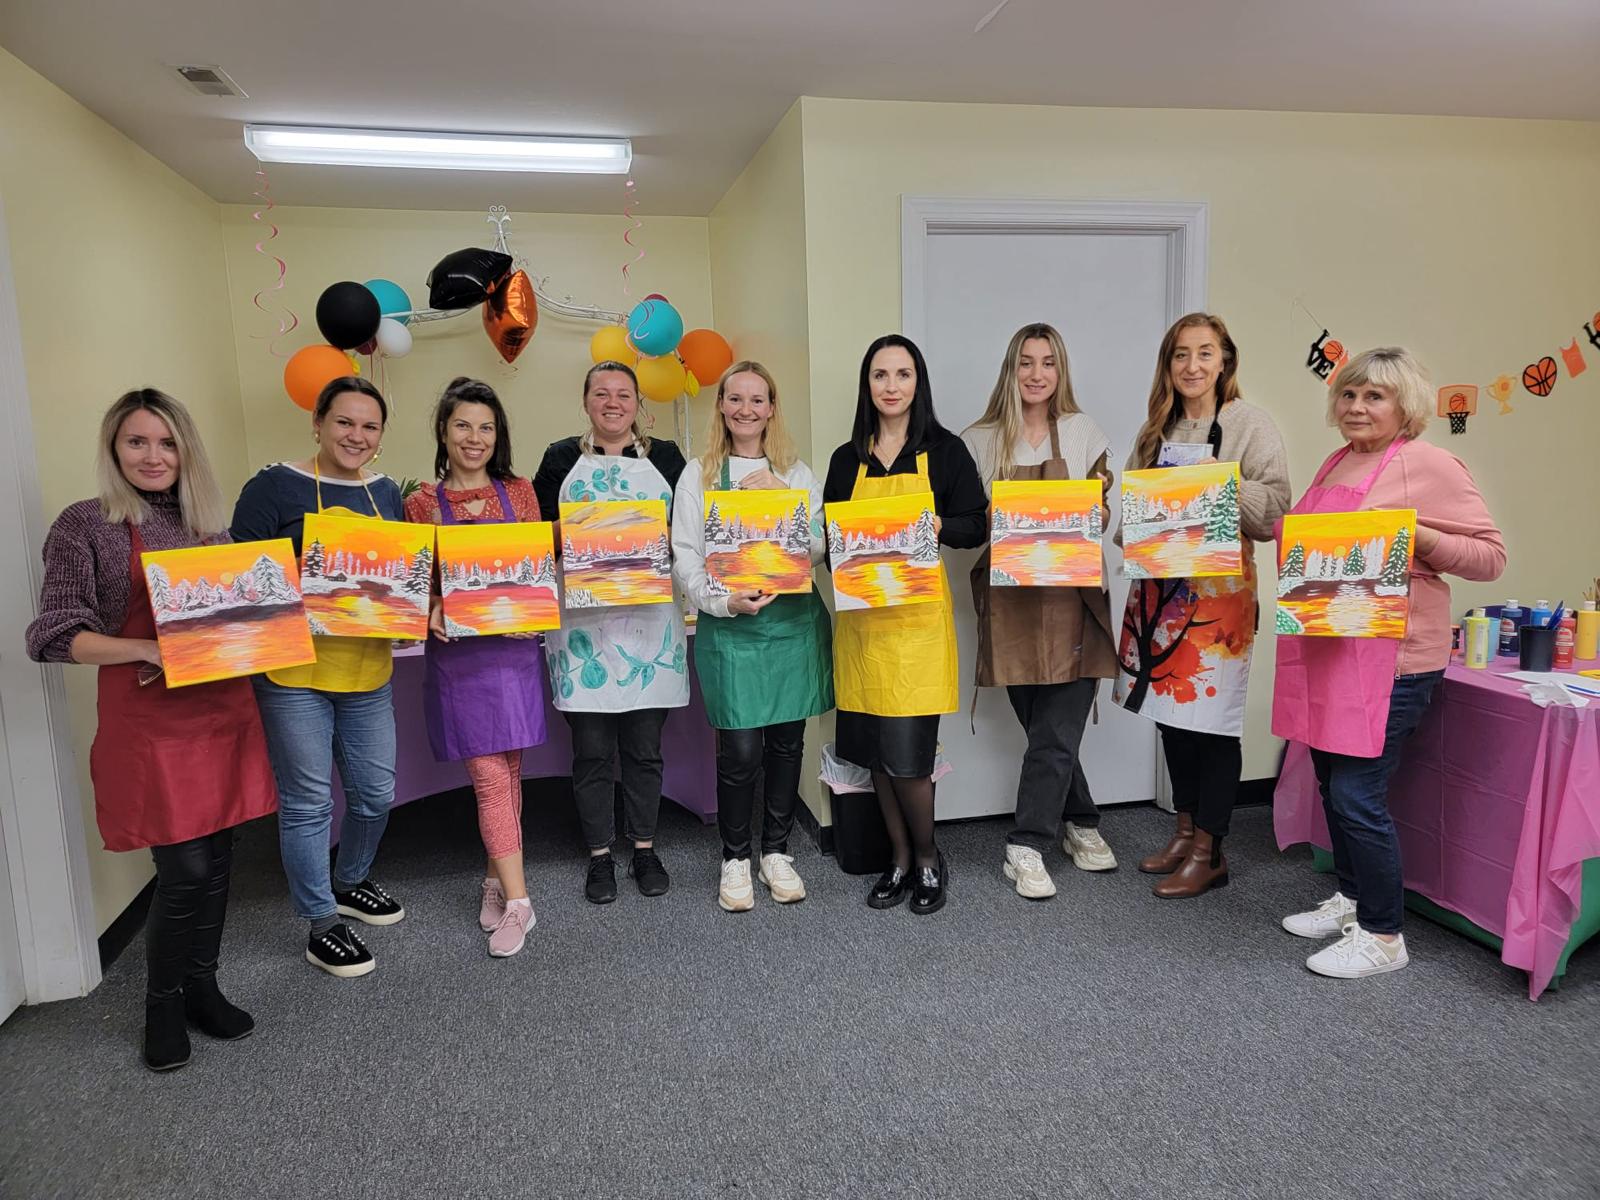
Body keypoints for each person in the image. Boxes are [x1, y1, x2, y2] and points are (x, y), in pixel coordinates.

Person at [26, 389, 277, 1071]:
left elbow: (238, 623)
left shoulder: (209, 528)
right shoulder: (86, 525)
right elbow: (52, 636)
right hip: (152, 722)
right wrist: (142, 649)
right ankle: (161, 1003)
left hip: (221, 711)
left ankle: (203, 986)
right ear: (114, 448)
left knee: (220, 858)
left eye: (167, 443)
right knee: (186, 866)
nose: (154, 456)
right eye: (138, 442)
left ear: (186, 451)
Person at [1275, 348, 1504, 979]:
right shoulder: (1336, 461)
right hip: (1331, 649)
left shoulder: (1430, 463)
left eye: (1374, 396)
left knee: (1356, 792)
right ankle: (1352, 899)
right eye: (1349, 395)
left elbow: (1489, 557)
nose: (1357, 407)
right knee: (1331, 783)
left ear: (1406, 406)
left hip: (1393, 661)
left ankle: (1382, 935)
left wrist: (1419, 537)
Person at [230, 376, 405, 978]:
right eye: (345, 422)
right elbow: (242, 580)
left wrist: (402, 610)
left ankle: (351, 879)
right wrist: (317, 582)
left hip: (368, 668)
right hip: (293, 672)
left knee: (377, 793)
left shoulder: (386, 493)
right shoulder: (273, 486)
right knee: (308, 803)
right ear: (318, 422)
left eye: (369, 426)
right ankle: (320, 923)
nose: (356, 435)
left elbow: (397, 581)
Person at [1112, 313, 1291, 897]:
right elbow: (1136, 513)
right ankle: (1185, 832)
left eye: (1205, 354)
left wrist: (1224, 483)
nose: (1192, 366)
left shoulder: (1249, 425)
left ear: (1225, 362)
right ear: (1168, 365)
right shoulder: (1153, 429)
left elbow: (1276, 513)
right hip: (1161, 595)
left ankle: (1212, 850)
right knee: (1171, 720)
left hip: (1219, 605)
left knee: (1213, 725)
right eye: (1181, 355)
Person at [823, 334, 988, 915]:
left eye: (903, 374)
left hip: (917, 628)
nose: (891, 386)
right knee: (876, 759)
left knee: (910, 758)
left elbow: (976, 526)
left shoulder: (945, 452)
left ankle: (927, 858)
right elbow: (828, 537)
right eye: (880, 375)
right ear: (867, 386)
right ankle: (896, 858)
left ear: (919, 383)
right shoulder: (848, 459)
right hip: (864, 630)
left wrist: (938, 525)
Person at [960, 323, 1119, 901]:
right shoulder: (978, 440)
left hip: (1073, 598)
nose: (1036, 374)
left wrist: (1091, 519)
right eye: (1025, 362)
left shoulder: (1082, 432)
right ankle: (1081, 821)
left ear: (1061, 371)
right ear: (1010, 370)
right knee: (1046, 730)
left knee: (1057, 729)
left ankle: (1025, 844)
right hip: (1011, 605)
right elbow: (969, 520)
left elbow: (1104, 511)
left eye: (1047, 363)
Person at [671, 361, 834, 912]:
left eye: (757, 400)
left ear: (771, 408)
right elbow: (686, 558)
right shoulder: (697, 474)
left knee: (788, 744)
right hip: (732, 628)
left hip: (791, 626)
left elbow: (818, 544)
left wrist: (782, 501)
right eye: (735, 399)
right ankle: (735, 858)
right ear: (720, 404)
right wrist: (722, 602)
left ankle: (776, 852)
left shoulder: (797, 472)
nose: (746, 409)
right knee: (740, 749)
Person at [533, 361, 689, 904]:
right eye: (602, 393)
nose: (613, 402)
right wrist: (590, 528)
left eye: (624, 394)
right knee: (592, 750)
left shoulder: (666, 457)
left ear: (638, 403)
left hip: (650, 628)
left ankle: (645, 847)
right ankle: (600, 855)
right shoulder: (558, 459)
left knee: (645, 749)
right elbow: (535, 537)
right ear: (586, 401)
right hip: (584, 632)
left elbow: (687, 532)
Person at [404, 378, 547, 957]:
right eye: (463, 425)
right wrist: (429, 605)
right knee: (489, 777)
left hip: (512, 653)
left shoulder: (521, 494)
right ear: (443, 430)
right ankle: (521, 904)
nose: (475, 437)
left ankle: (494, 880)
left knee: (509, 772)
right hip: (460, 661)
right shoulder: (418, 504)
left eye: (486, 427)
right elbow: (411, 587)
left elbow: (535, 568)